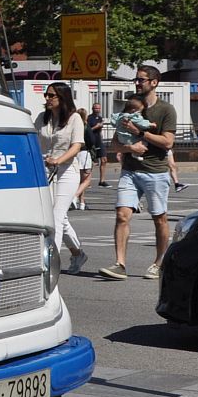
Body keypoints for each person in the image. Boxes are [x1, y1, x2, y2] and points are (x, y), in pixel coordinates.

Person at [99, 65, 176, 281]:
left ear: (154, 82)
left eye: (141, 79)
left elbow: (168, 141)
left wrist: (141, 132)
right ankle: (120, 264)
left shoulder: (165, 110)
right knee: (122, 215)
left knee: (159, 218)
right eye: (136, 79)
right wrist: (130, 148)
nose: (137, 83)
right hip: (130, 171)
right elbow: (115, 143)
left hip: (155, 172)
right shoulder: (130, 107)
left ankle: (159, 262)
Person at [35, 82, 88, 273]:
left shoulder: (74, 119)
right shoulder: (42, 118)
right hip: (45, 170)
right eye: (46, 96)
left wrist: (58, 160)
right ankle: (77, 253)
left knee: (55, 217)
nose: (47, 99)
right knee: (57, 217)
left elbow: (76, 146)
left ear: (62, 98)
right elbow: (34, 140)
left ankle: (51, 265)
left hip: (67, 171)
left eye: (51, 96)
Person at [72, 107, 94, 210]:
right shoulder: (85, 127)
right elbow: (91, 141)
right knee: (86, 180)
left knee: (79, 180)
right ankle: (75, 196)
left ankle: (82, 202)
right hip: (84, 153)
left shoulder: (73, 126)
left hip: (74, 153)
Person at [87, 102, 110, 187]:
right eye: (96, 108)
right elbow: (87, 131)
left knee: (104, 160)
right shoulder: (89, 118)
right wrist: (95, 127)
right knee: (91, 162)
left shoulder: (100, 118)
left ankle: (102, 180)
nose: (97, 110)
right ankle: (87, 181)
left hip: (99, 141)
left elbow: (100, 130)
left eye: (98, 108)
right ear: (93, 109)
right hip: (92, 141)